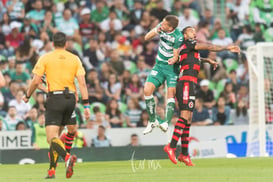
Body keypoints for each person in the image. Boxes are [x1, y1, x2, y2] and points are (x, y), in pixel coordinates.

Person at [164, 26, 240, 165]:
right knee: (184, 116)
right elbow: (209, 46)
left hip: (191, 83)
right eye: (191, 30)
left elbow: (193, 58)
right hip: (186, 82)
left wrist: (207, 61)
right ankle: (171, 146)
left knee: (188, 119)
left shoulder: (189, 50)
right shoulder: (188, 43)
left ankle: (184, 154)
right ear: (185, 35)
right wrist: (226, 48)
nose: (194, 32)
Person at [23, 32, 90, 179]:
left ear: (53, 44)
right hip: (71, 99)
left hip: (55, 99)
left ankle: (67, 158)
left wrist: (28, 96)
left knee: (51, 138)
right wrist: (86, 106)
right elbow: (82, 83)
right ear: (66, 44)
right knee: (63, 134)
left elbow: (35, 81)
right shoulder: (74, 59)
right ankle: (52, 170)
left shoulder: (46, 58)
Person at [143, 15, 183, 135]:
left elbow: (176, 55)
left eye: (164, 24)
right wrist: (156, 30)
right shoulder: (161, 27)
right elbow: (146, 38)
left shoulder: (178, 36)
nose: (162, 24)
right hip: (159, 66)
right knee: (147, 90)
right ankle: (152, 120)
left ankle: (166, 122)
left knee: (170, 92)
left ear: (171, 27)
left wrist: (174, 59)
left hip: (171, 68)